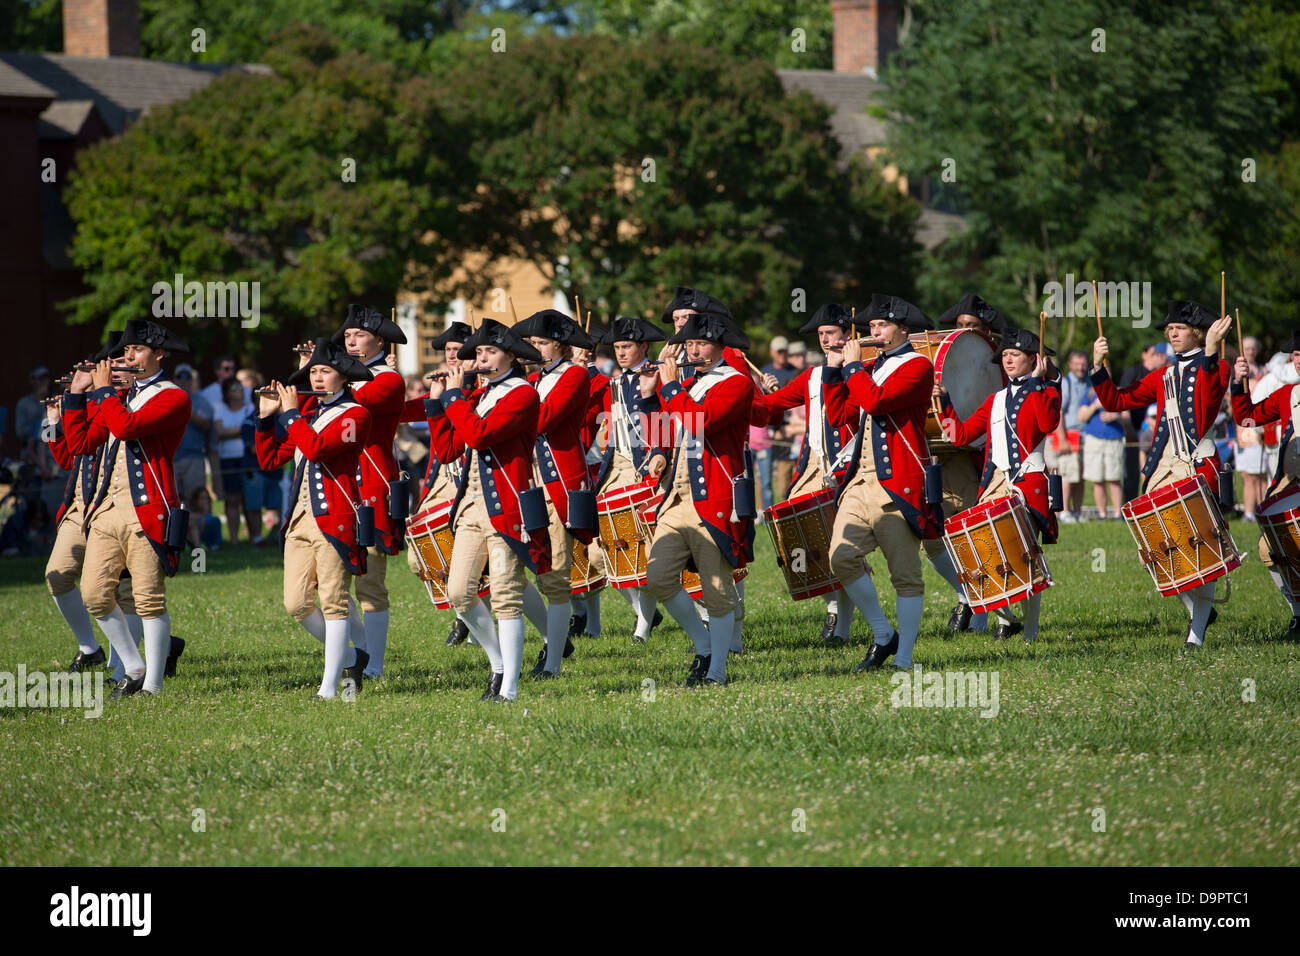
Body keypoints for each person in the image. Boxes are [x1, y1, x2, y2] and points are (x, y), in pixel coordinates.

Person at [1092, 300, 1233, 649]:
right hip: (1162, 468)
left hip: (1197, 464)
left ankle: (1195, 637)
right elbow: (1117, 401)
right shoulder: (1163, 374)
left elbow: (1210, 393)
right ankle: (1199, 610)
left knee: (1201, 550)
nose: (1171, 332)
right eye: (1169, 328)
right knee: (1152, 549)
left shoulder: (1218, 367)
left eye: (1179, 328)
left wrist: (1213, 353)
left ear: (1198, 333)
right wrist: (1098, 367)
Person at [62, 320, 191, 698]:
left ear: (159, 354)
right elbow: (81, 443)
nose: (127, 356)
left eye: (135, 350)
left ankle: (152, 685)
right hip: (107, 510)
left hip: (149, 510)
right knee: (94, 594)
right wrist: (75, 395)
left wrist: (104, 391)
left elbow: (128, 427)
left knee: (149, 599)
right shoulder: (120, 396)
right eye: (125, 351)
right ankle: (133, 665)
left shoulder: (173, 396)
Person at [426, 319, 552, 702]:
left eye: (489, 352)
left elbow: (479, 434)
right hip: (470, 508)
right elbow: (448, 450)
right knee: (460, 593)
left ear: (511, 356)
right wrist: (437, 401)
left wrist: (453, 398)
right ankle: (498, 665)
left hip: (507, 506)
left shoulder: (522, 394)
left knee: (505, 596)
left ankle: (510, 688)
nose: (480, 358)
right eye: (477, 352)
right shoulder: (478, 396)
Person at [641, 307, 755, 686]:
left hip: (715, 498)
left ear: (719, 347)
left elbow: (698, 421)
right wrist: (652, 396)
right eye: (688, 343)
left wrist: (670, 386)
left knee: (717, 589)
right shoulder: (688, 383)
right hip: (676, 498)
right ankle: (703, 646)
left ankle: (717, 670)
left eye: (700, 343)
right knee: (657, 578)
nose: (692, 350)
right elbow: (668, 424)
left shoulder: (736, 382)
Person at [829, 294, 942, 672]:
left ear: (903, 330)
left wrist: (852, 369)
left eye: (882, 326)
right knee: (840, 558)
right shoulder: (869, 366)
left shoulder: (917, 365)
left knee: (905, 576)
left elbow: (876, 402)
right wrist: (834, 370)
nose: (874, 332)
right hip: (860, 482)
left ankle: (905, 658)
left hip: (899, 484)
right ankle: (882, 634)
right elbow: (840, 415)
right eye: (871, 327)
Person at [256, 338, 373, 699]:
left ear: (344, 378)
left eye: (326, 372)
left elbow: (317, 448)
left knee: (333, 601)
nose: (317, 378)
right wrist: (264, 419)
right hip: (299, 520)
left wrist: (290, 415)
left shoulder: (356, 414)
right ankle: (354, 656)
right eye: (314, 372)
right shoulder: (309, 417)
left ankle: (329, 688)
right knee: (296, 604)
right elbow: (270, 460)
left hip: (335, 519)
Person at [937, 327, 1061, 641]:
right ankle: (1008, 618)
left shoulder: (1045, 391)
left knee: (1025, 558)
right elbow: (960, 436)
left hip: (1027, 485)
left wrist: (1038, 381)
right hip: (994, 484)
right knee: (980, 556)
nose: (1007, 360)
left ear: (1034, 359)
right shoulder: (996, 399)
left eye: (1014, 355)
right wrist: (946, 402)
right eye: (1004, 355)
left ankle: (1030, 633)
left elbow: (1048, 423)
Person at [44, 335, 146, 676]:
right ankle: (89, 648)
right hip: (81, 505)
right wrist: (52, 419)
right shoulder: (89, 402)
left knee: (124, 592)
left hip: (118, 506)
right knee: (56, 574)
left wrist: (82, 399)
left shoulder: (126, 401)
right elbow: (65, 455)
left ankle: (122, 668)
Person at [758, 302, 859, 644]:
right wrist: (755, 391)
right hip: (814, 468)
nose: (826, 340)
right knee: (805, 541)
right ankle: (833, 609)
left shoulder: (865, 369)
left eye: (832, 333)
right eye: (821, 335)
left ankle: (841, 622)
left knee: (840, 548)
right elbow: (771, 407)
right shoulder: (813, 375)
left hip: (850, 469)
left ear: (849, 335)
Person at [514, 309, 598, 677]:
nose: (536, 349)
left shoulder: (575, 375)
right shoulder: (530, 379)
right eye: (531, 343)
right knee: (512, 569)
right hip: (527, 485)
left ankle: (552, 662)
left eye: (542, 343)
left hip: (559, 485)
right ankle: (556, 636)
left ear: (561, 345)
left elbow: (544, 419)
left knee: (555, 575)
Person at [327, 304, 408, 678]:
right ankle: (357, 653)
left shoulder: (387, 379)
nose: (351, 340)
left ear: (378, 340)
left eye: (358, 335)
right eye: (347, 336)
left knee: (370, 582)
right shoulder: (338, 376)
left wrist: (325, 374)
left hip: (373, 486)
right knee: (328, 583)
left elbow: (353, 403)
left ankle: (373, 665)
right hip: (339, 488)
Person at [931, 293, 1008, 634]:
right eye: (959, 326)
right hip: (952, 455)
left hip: (989, 462)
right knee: (939, 533)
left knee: (975, 536)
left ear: (987, 333)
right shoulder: (948, 362)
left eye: (972, 327)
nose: (964, 332)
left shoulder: (1005, 369)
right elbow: (953, 430)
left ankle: (986, 612)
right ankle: (969, 597)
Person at [400, 322, 476, 648]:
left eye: (459, 351)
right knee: (419, 555)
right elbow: (407, 412)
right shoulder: (442, 385)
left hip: (471, 479)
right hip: (442, 478)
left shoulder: (482, 387)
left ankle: (466, 619)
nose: (453, 357)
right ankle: (467, 614)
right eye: (448, 352)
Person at [594, 315, 669, 643]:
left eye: (626, 347)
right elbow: (613, 423)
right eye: (617, 347)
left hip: (645, 469)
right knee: (601, 551)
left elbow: (668, 420)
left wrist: (658, 453)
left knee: (645, 551)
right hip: (615, 468)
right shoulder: (617, 380)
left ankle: (645, 623)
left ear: (643, 347)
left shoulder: (658, 375)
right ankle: (645, 612)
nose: (620, 353)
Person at [1229, 330, 1300, 631]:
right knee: (1268, 548)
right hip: (1292, 483)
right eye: (1295, 355)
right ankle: (1297, 611)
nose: (1298, 361)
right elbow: (1247, 418)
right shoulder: (1287, 394)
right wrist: (1239, 383)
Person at [212, 378, 255, 545]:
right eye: (235, 387)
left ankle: (254, 537)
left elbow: (252, 431)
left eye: (241, 387)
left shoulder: (250, 408)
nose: (240, 390)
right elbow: (220, 431)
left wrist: (236, 431)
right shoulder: (220, 409)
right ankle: (234, 540)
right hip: (228, 459)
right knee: (232, 499)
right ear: (227, 392)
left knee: (248, 498)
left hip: (246, 458)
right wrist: (243, 429)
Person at [1049, 350, 1089, 521]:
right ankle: (1064, 512)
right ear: (1071, 365)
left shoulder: (1088, 382)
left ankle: (1078, 511)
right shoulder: (1066, 383)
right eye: (1077, 364)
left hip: (1084, 436)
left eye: (1083, 364)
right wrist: (1063, 438)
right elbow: (1059, 410)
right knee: (1068, 475)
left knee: (1080, 477)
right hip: (1069, 435)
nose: (1080, 367)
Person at [1078, 381, 1126, 519]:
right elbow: (1081, 417)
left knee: (1114, 478)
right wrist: (1095, 406)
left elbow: (1127, 418)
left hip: (1114, 439)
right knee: (1097, 479)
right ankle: (1102, 514)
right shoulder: (1089, 393)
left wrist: (1116, 416)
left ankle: (1118, 514)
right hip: (1094, 440)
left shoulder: (1118, 390)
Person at [172, 364, 213, 502]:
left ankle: (197, 524)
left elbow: (206, 424)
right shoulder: (166, 398)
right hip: (171, 458)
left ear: (192, 380)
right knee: (173, 499)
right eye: (180, 377)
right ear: (174, 379)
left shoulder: (201, 402)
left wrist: (183, 409)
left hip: (194, 457)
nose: (183, 380)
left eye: (187, 377)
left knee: (196, 499)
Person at [187, 486, 223, 551]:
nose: (205, 501)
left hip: (205, 538)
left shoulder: (209, 516)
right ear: (195, 500)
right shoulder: (190, 513)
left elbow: (203, 531)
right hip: (192, 538)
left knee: (215, 520)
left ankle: (214, 544)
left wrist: (205, 515)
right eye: (202, 498)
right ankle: (197, 546)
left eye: (206, 498)